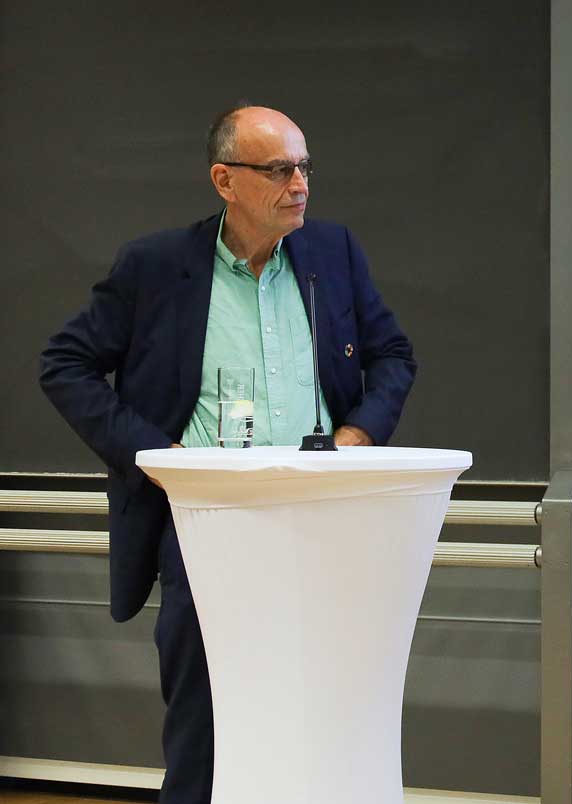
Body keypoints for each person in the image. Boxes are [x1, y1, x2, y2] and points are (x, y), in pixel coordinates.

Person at [39, 104, 417, 804]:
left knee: (321, 714)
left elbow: (392, 353)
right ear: (225, 179)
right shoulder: (156, 267)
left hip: (324, 521)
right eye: (278, 170)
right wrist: (156, 454)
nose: (299, 183)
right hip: (206, 526)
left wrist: (357, 434)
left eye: (304, 166)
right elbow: (65, 364)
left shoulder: (332, 254)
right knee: (205, 726)